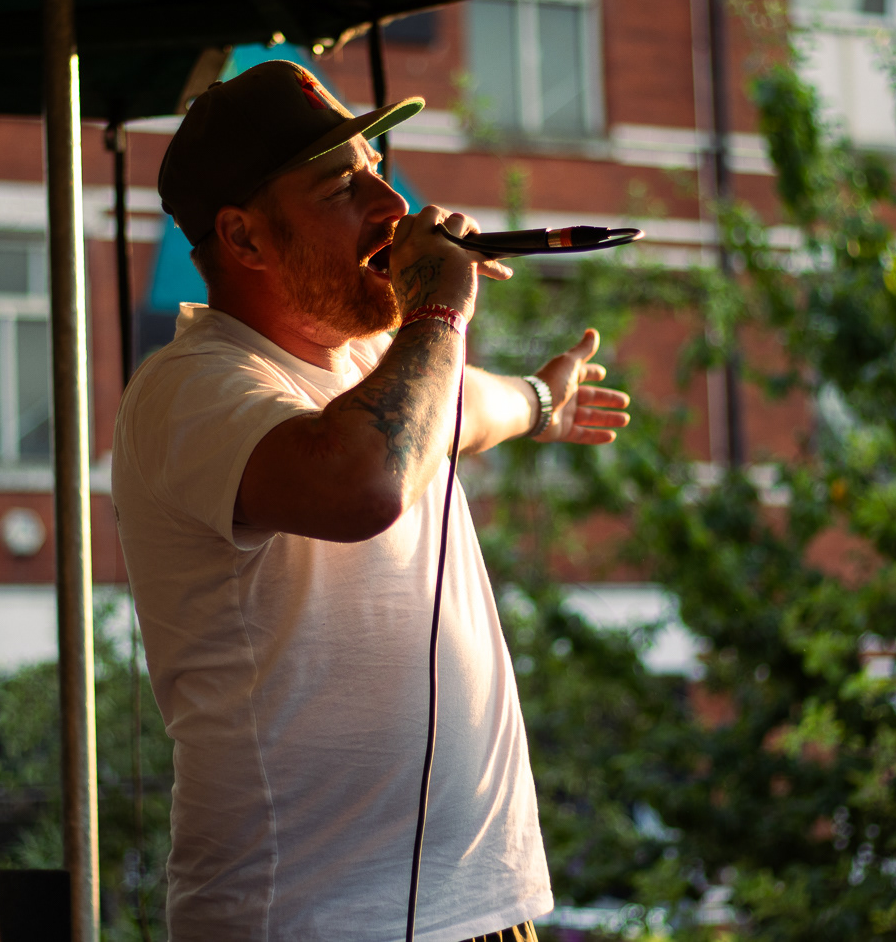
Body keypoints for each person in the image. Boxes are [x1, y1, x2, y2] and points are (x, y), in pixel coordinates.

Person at [111, 61, 632, 942]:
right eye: (343, 188)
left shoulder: (369, 371)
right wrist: (436, 315)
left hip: (479, 912)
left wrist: (542, 399)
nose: (393, 206)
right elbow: (363, 481)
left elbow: (466, 405)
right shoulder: (191, 386)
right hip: (313, 922)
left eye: (379, 172)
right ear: (243, 238)